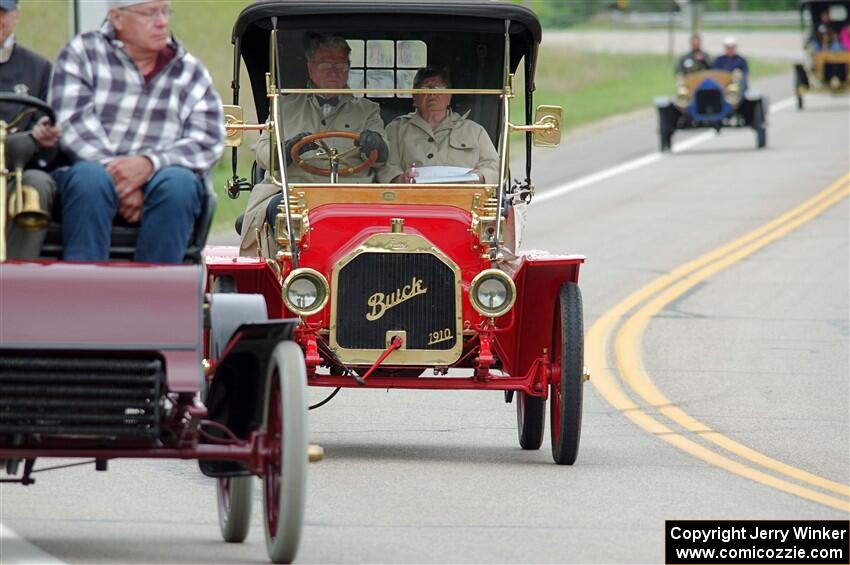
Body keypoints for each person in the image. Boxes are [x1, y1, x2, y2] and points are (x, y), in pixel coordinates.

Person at [49, 0, 224, 263]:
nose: (162, 22)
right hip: (91, 175)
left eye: (165, 11)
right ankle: (81, 293)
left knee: (179, 185)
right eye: (150, 13)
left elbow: (208, 139)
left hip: (160, 179)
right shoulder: (83, 53)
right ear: (117, 18)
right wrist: (120, 179)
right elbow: (72, 124)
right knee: (90, 179)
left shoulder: (189, 71)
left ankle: (157, 294)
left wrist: (149, 164)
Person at [239, 34, 388, 256]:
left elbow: (385, 157)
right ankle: (290, 273)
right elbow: (263, 155)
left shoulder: (367, 110)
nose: (334, 70)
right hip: (293, 192)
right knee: (282, 209)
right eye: (326, 64)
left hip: (353, 192)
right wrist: (288, 149)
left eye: (341, 64)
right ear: (310, 68)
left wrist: (376, 145)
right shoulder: (284, 106)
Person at [0, 0, 61, 260]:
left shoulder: (39, 69)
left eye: (2, 13)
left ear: (16, 17)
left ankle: (16, 279)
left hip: (17, 171)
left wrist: (45, 139)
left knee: (36, 186)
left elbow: (51, 136)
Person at [378, 66, 498, 185]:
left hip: (463, 200)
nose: (432, 93)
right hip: (412, 199)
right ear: (414, 96)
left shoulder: (474, 131)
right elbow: (384, 166)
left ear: (449, 96)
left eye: (439, 88)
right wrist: (401, 179)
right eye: (425, 88)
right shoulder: (396, 129)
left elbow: (495, 167)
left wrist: (480, 176)